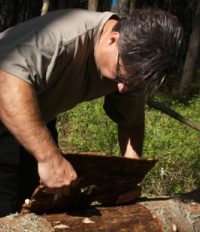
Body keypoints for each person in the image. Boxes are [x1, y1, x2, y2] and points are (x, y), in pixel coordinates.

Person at [0, 8, 183, 217]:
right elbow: (5, 82)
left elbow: (130, 122)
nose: (122, 89)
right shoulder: (62, 39)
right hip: (7, 103)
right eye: (119, 78)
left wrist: (127, 178)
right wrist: (48, 158)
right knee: (7, 213)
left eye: (130, 83)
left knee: (41, 204)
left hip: (36, 114)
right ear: (113, 40)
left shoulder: (130, 62)